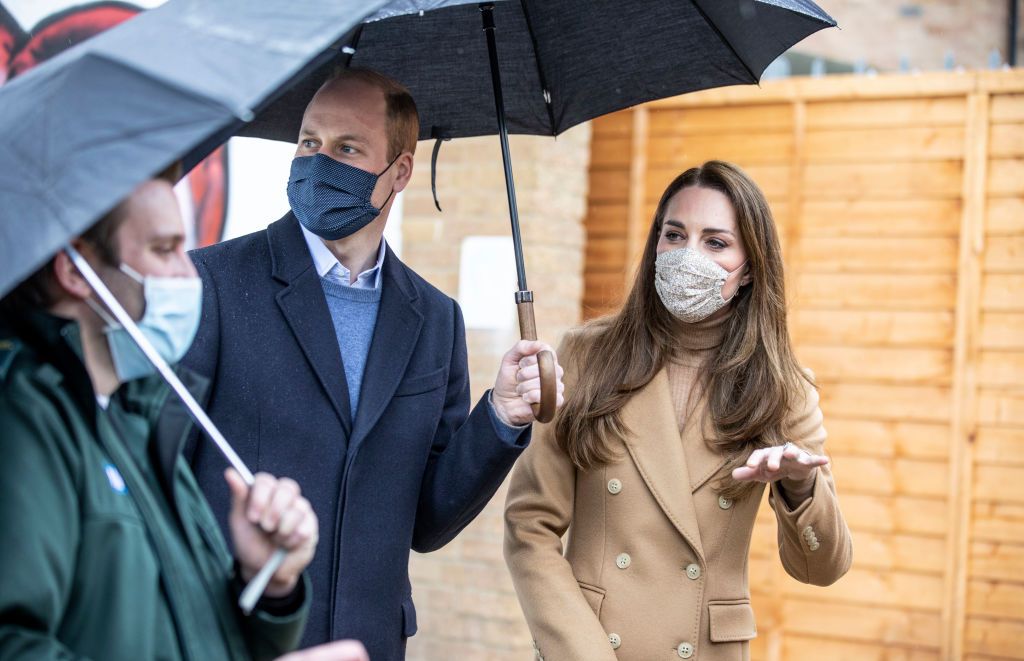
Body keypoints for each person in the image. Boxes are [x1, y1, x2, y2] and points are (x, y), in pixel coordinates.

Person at [181, 67, 564, 658]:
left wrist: (502, 415)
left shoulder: (435, 320)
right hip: (237, 639)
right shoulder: (213, 284)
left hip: (371, 643)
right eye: (309, 143)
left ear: (400, 171)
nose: (318, 162)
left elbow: (427, 520)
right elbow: (160, 475)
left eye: (347, 148)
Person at [504, 161, 853, 660]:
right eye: (674, 234)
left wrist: (799, 488)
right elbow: (529, 528)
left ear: (750, 266)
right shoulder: (585, 356)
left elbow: (824, 569)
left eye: (715, 242)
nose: (687, 255)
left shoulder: (783, 389)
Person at [0, 177, 322, 660]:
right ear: (74, 269)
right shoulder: (25, 420)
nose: (188, 275)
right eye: (164, 250)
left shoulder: (136, 419)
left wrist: (267, 583)